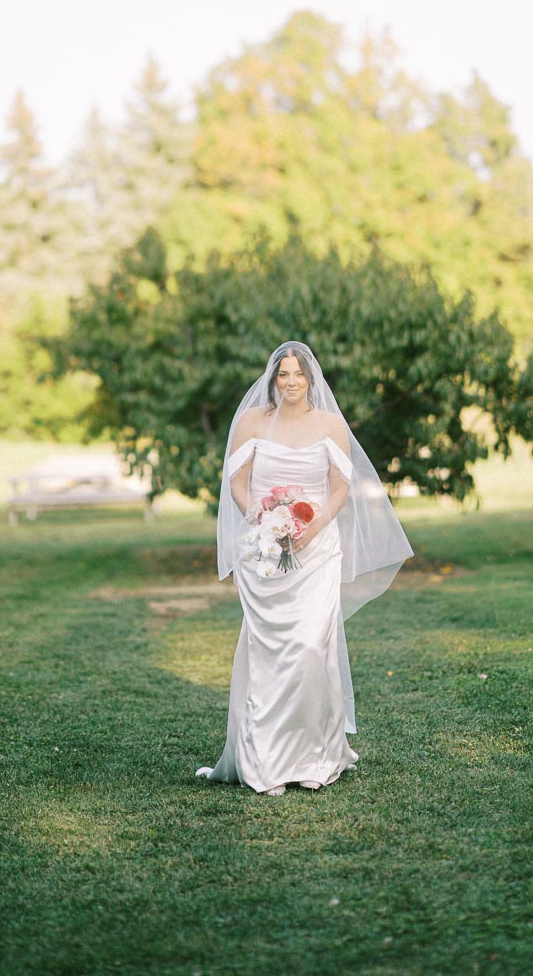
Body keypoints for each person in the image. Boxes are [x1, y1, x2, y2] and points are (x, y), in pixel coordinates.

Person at [197, 341, 413, 796]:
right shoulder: (251, 423)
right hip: (264, 552)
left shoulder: (330, 426)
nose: (290, 382)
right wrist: (262, 516)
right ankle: (265, 761)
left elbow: (339, 490)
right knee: (269, 654)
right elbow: (237, 484)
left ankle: (316, 755)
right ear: (272, 380)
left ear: (310, 380)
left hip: (316, 551)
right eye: (282, 375)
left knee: (312, 648)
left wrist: (310, 529)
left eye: (298, 374)